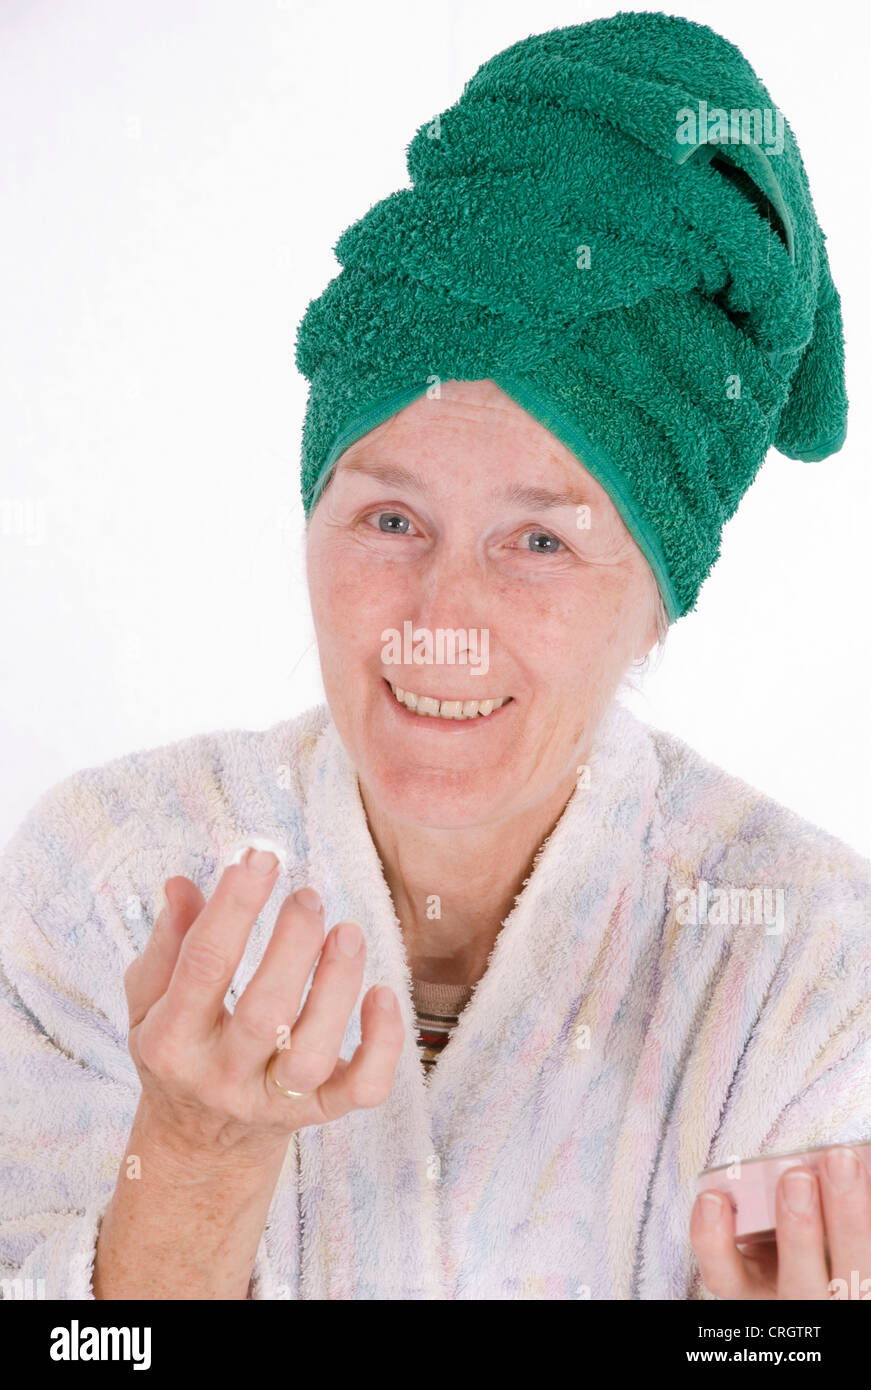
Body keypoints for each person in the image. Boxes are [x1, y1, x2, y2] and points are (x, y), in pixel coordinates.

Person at [1, 12, 869, 1302]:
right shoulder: (108, 879)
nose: (439, 615)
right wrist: (189, 1167)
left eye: (540, 540)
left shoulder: (806, 963)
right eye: (390, 518)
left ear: (661, 602)